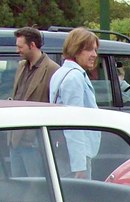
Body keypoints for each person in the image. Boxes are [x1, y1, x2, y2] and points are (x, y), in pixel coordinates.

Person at [49, 27, 101, 177]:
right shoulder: (74, 78)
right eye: (89, 50)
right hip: (74, 155)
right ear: (76, 50)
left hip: (65, 151)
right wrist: (79, 165)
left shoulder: (61, 73)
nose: (94, 55)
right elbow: (74, 123)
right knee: (80, 198)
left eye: (95, 50)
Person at [9, 27, 59, 177]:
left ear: (32, 45)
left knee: (36, 187)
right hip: (14, 138)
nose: (18, 50)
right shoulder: (21, 66)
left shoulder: (52, 69)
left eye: (20, 47)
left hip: (34, 142)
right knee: (17, 187)